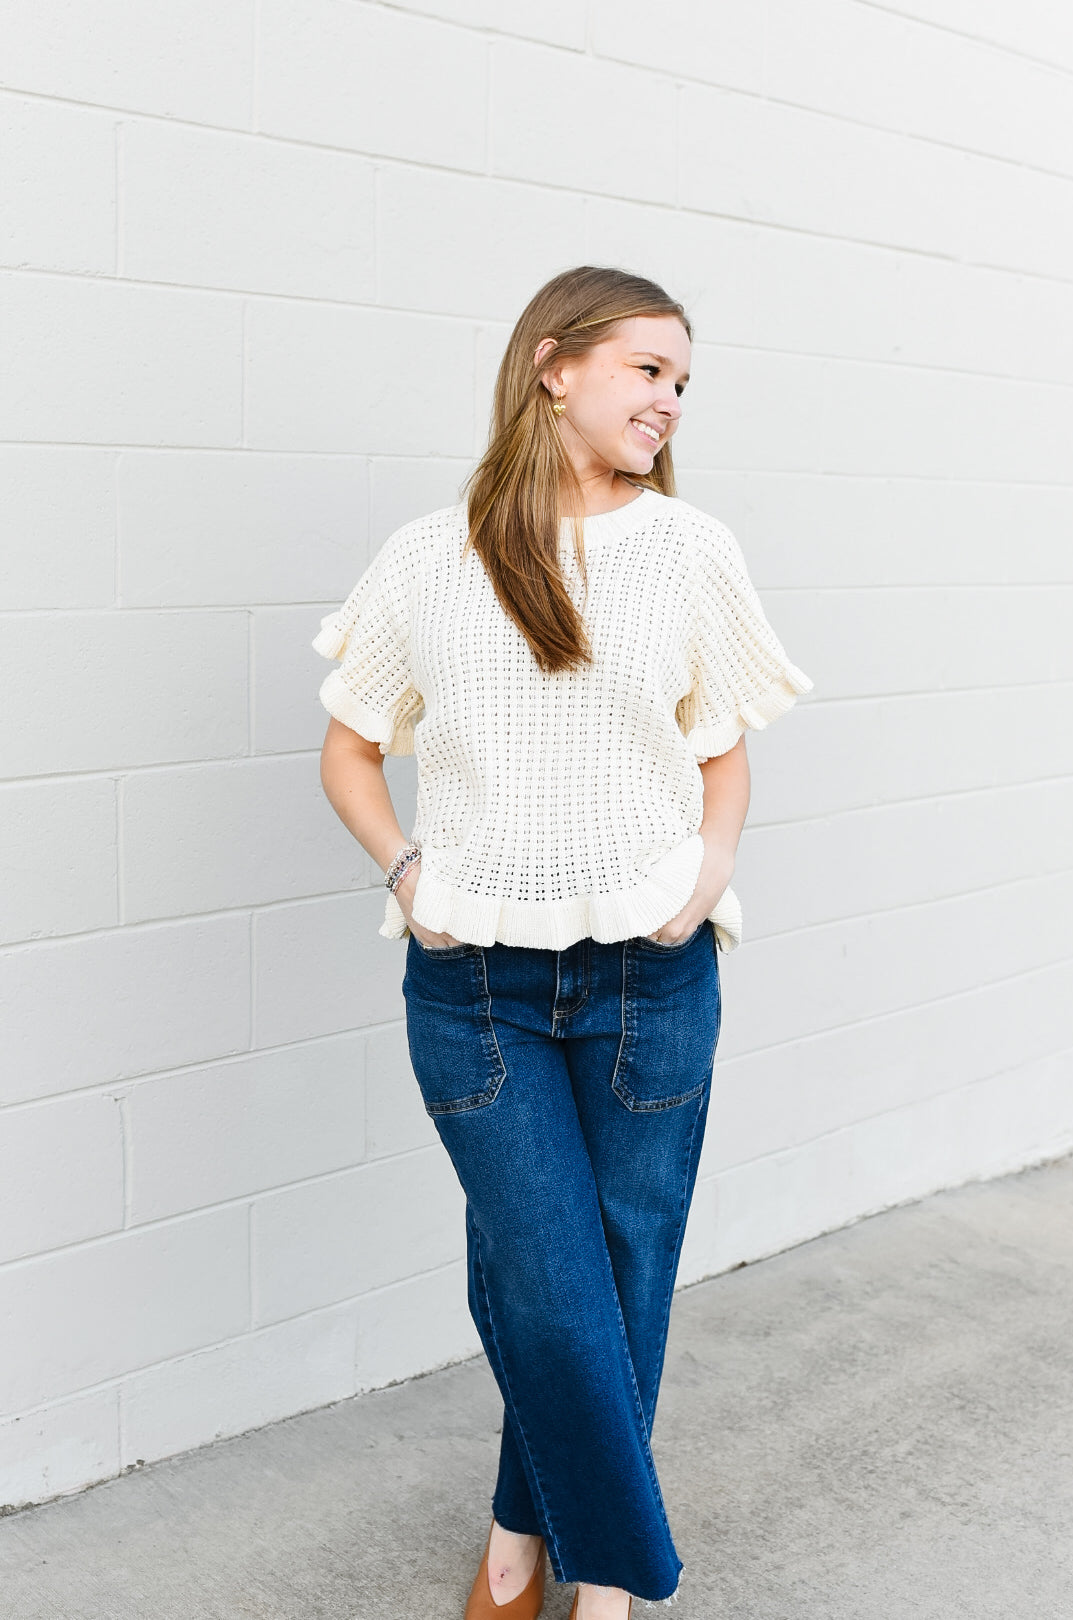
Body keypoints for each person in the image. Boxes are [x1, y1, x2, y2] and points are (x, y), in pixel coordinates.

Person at [314, 266, 812, 1620]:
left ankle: (538, 1558)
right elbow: (349, 750)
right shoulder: (433, 557)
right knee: (542, 1277)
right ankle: (615, 1561)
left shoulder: (690, 551)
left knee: (625, 1268)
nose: (670, 400)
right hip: (474, 981)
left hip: (653, 975)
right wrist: (407, 870)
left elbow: (723, 754)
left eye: (683, 382)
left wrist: (707, 872)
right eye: (649, 369)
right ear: (553, 365)